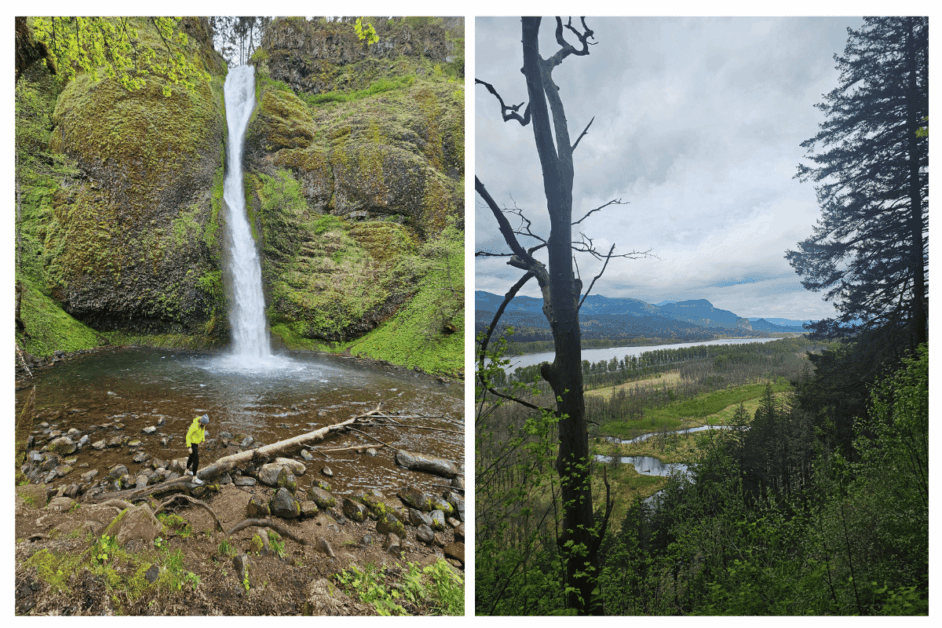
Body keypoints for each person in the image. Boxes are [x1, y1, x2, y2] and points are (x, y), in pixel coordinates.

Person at [185, 414, 210, 485]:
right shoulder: (194, 426)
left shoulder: (202, 425)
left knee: (191, 457)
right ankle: (194, 478)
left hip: (196, 444)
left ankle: (186, 471)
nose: (206, 425)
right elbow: (188, 436)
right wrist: (189, 447)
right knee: (196, 461)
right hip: (192, 444)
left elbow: (202, 432)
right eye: (205, 424)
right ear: (201, 422)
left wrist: (203, 440)